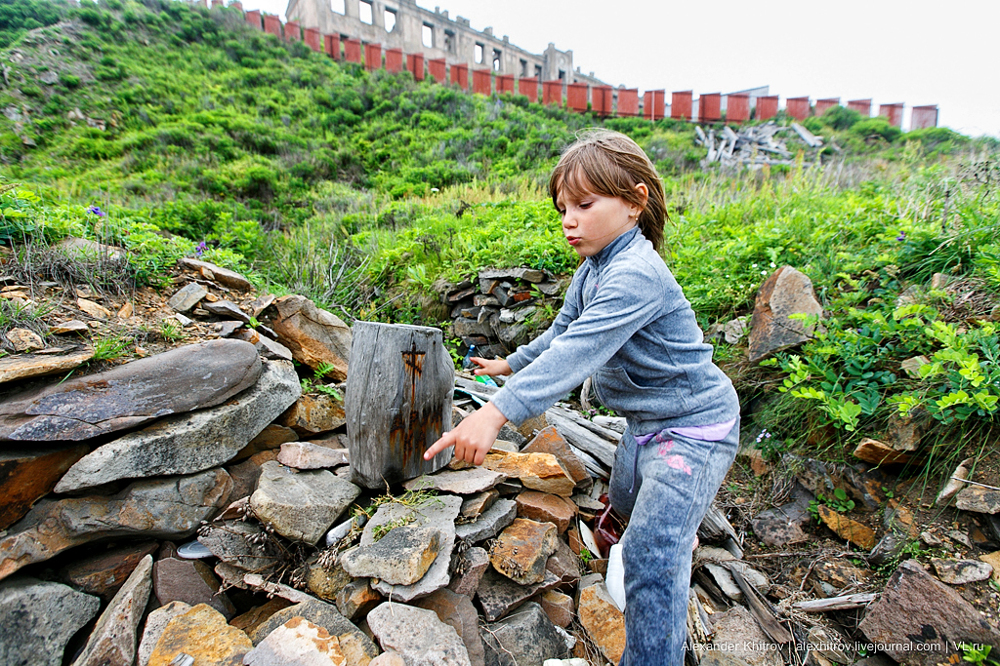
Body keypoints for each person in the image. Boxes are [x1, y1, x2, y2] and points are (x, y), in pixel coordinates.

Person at [424, 129, 740, 666]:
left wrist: (496, 411)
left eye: (585, 205)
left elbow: (579, 354)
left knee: (650, 556)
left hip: (694, 428)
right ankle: (663, 527)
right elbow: (562, 336)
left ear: (635, 202)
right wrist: (510, 363)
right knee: (620, 507)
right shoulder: (592, 268)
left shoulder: (636, 275)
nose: (569, 219)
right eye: (563, 207)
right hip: (645, 425)